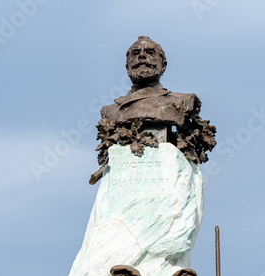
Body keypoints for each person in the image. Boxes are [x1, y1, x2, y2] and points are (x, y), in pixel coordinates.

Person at [90, 36, 216, 184]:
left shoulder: (182, 101)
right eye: (135, 54)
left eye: (149, 52)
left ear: (163, 66)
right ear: (127, 67)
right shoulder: (110, 111)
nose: (142, 56)